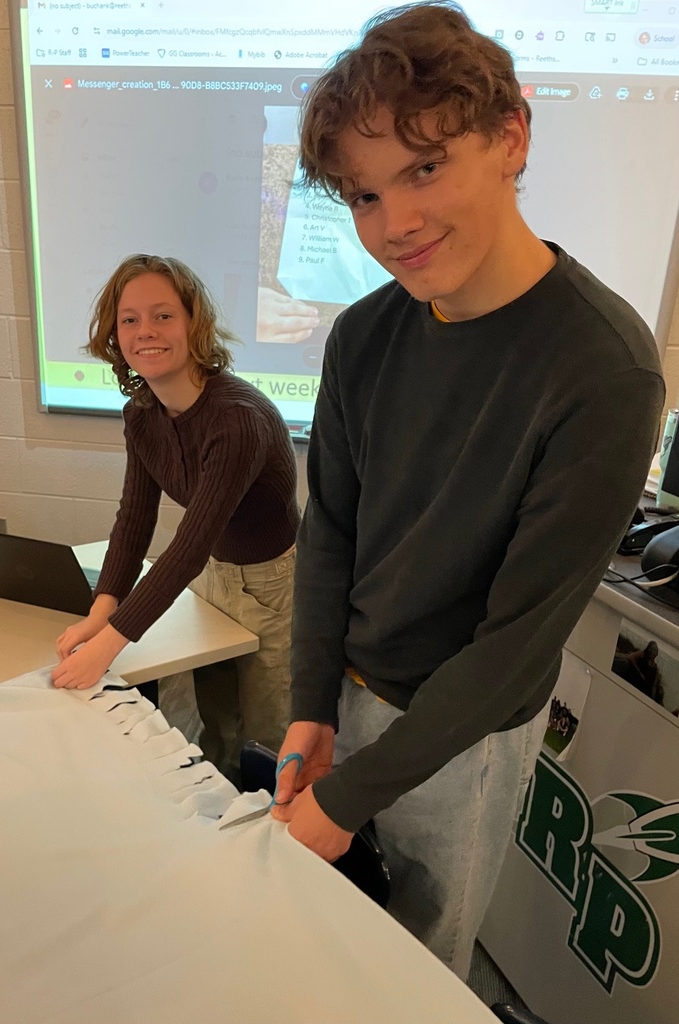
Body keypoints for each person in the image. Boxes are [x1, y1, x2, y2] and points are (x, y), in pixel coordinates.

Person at [271, 2, 665, 981]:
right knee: (324, 953)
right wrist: (312, 707)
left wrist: (353, 792)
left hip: (465, 739)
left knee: (413, 971)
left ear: (510, 137)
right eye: (363, 195)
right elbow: (331, 535)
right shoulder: (364, 334)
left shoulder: (605, 366)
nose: (394, 223)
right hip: (354, 695)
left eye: (424, 167)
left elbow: (514, 643)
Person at [52, 254, 300, 778]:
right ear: (114, 335)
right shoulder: (142, 415)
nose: (146, 331)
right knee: (216, 721)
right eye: (130, 319)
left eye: (163, 315)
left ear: (194, 323)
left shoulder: (237, 421)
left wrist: (109, 645)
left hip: (272, 586)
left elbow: (186, 546)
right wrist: (101, 613)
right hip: (213, 575)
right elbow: (134, 522)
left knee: (265, 735)